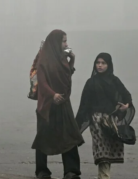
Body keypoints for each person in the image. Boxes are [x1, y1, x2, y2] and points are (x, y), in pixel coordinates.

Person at [31, 29, 84, 179]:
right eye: (63, 41)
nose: (66, 44)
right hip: (47, 105)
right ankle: (42, 171)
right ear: (55, 42)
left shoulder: (62, 58)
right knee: (44, 137)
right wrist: (52, 95)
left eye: (66, 40)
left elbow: (66, 77)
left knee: (69, 135)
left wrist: (72, 60)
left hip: (63, 103)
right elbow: (42, 81)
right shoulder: (44, 58)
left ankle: (71, 171)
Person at [76, 52, 135, 179]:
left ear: (109, 65)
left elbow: (127, 95)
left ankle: (103, 176)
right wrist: (76, 125)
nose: (100, 65)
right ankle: (104, 176)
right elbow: (84, 105)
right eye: (98, 63)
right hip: (96, 120)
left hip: (111, 120)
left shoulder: (114, 80)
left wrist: (127, 105)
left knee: (109, 149)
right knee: (101, 149)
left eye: (103, 63)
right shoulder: (91, 83)